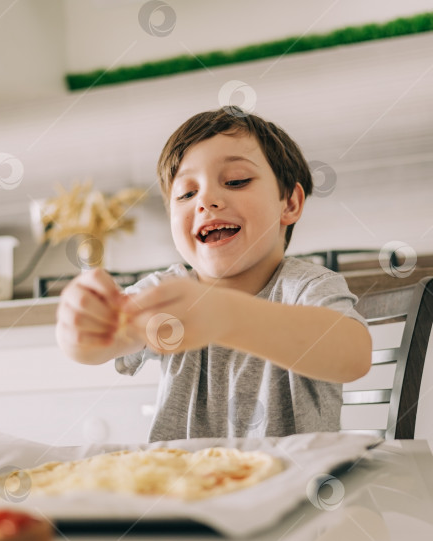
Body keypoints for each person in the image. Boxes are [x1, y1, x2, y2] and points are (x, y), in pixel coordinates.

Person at [56, 106, 372, 442]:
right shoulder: (168, 291)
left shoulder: (308, 288)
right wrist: (84, 325)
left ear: (289, 203)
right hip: (186, 490)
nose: (205, 200)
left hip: (295, 489)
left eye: (236, 181)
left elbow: (353, 355)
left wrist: (225, 315)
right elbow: (92, 348)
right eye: (186, 194)